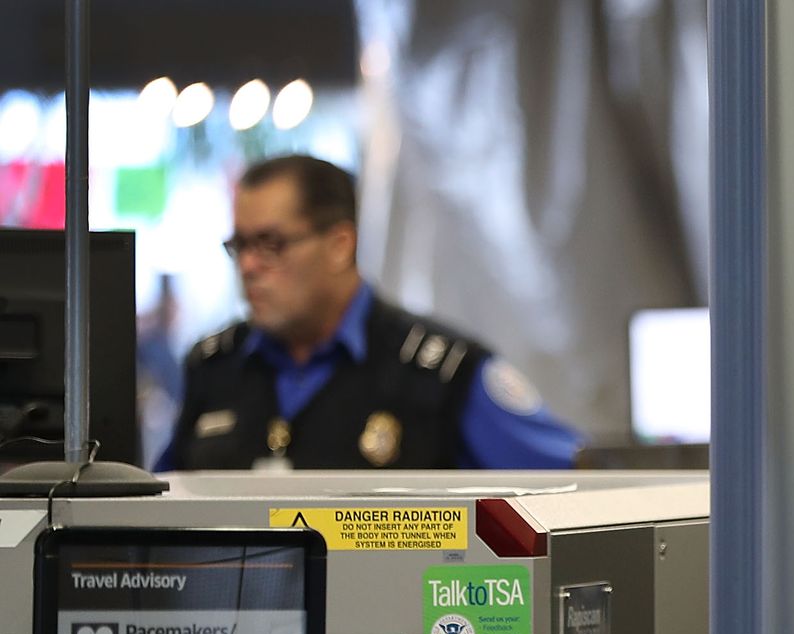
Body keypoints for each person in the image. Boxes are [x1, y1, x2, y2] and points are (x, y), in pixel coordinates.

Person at [158, 155, 581, 470]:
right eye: (241, 246)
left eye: (271, 244)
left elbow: (575, 485)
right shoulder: (214, 369)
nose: (248, 266)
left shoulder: (440, 373)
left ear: (340, 245)